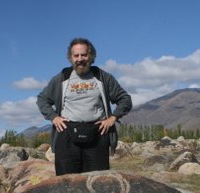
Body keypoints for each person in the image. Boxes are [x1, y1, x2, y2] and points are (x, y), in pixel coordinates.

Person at [37, 38, 132, 176]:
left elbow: (125, 99)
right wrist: (54, 117)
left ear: (91, 56)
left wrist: (112, 118)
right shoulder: (62, 78)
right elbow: (42, 99)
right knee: (66, 183)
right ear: (70, 58)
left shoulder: (102, 77)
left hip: (98, 134)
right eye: (76, 55)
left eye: (84, 55)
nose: (80, 59)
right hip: (66, 135)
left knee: (98, 182)